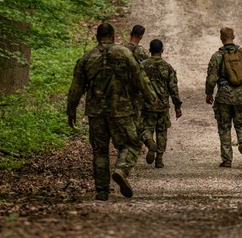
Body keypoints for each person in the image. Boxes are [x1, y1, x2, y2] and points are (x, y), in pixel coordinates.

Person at [67, 23, 161, 200]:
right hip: (121, 110)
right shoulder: (124, 54)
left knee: (100, 150)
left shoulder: (87, 57)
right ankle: (121, 169)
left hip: (95, 112)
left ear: (97, 37)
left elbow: (76, 87)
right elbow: (140, 77)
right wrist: (151, 99)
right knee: (132, 143)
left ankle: (102, 191)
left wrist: (71, 111)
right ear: (113, 35)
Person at [205, 27, 242, 167]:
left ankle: (227, 159)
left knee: (224, 127)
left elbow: (211, 78)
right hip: (241, 96)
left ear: (221, 38)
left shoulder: (217, 56)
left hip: (224, 97)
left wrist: (209, 93)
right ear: (233, 36)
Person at [140, 39, 183, 168]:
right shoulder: (167, 67)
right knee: (162, 131)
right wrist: (177, 106)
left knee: (145, 128)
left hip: (147, 105)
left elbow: (136, 85)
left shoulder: (142, 65)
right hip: (163, 106)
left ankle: (149, 142)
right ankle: (159, 158)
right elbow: (173, 88)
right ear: (162, 51)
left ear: (149, 50)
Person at [123, 24, 156, 154]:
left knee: (125, 118)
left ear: (130, 32)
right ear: (141, 37)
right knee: (138, 118)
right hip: (137, 91)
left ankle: (129, 145)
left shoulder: (121, 49)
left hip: (122, 90)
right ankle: (143, 141)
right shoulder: (142, 52)